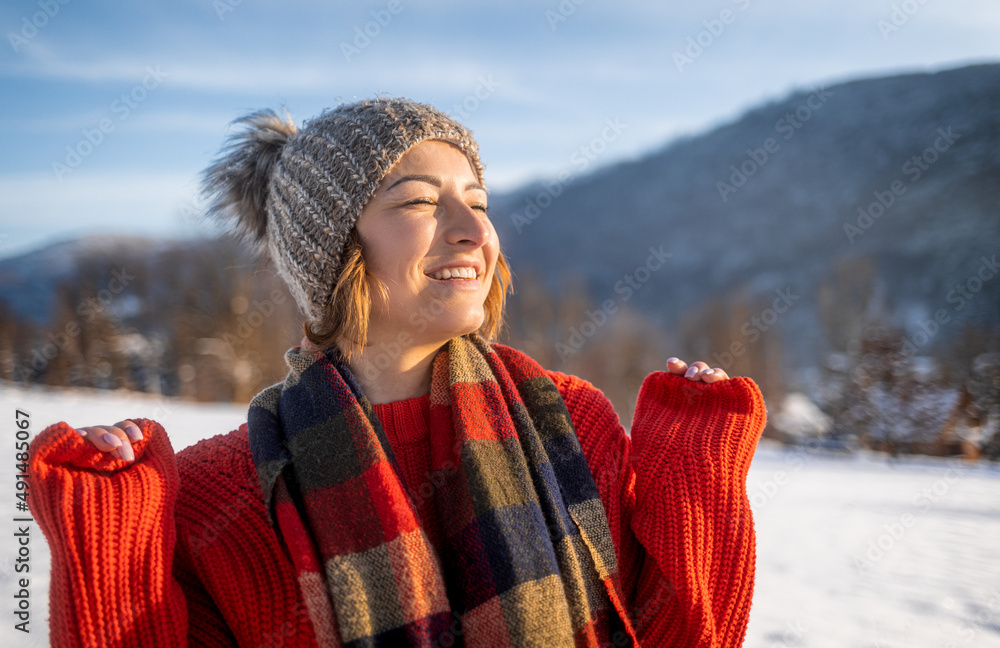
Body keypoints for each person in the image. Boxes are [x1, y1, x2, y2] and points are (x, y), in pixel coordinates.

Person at [27, 98, 767, 647]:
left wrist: (696, 465)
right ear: (333, 252)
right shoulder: (222, 493)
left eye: (477, 202)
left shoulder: (572, 423)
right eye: (418, 201)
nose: (475, 231)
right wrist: (108, 539)